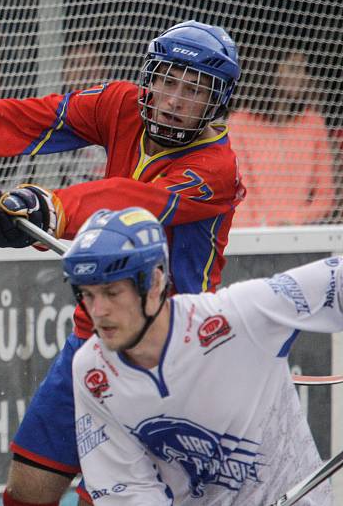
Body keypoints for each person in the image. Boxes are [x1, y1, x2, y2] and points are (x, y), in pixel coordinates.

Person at [0, 20, 244, 505]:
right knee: (27, 489)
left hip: (169, 354)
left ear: (219, 101)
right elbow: (43, 118)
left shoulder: (217, 169)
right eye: (167, 80)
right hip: (95, 331)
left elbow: (136, 203)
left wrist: (52, 208)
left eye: (193, 90)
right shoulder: (123, 105)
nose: (173, 99)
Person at [64, 206, 332, 504]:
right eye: (87, 295)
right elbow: (126, 489)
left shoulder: (236, 316)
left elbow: (334, 280)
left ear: (154, 282)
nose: (98, 311)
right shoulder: (92, 370)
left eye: (112, 293)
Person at [229, 45, 335, 226]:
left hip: (299, 235)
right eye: (294, 68)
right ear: (271, 70)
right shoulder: (239, 123)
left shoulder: (313, 123)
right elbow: (240, 189)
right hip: (251, 235)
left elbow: (326, 195)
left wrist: (294, 221)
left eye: (304, 69)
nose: (303, 77)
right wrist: (262, 228)